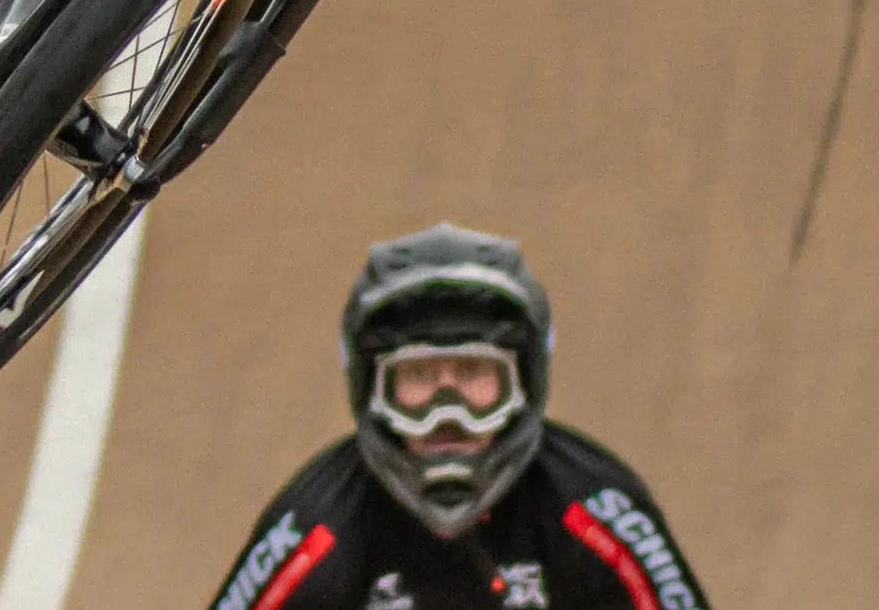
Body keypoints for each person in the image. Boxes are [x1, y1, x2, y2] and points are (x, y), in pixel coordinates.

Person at [206, 225, 711, 608]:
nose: (446, 414)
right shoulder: (313, 528)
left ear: (523, 382)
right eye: (420, 377)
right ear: (372, 388)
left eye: (473, 373)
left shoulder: (599, 507)